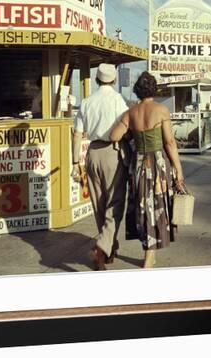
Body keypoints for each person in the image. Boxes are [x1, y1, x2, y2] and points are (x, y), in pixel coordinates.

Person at [110, 71, 185, 269]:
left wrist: (131, 136)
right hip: (158, 162)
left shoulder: (131, 112)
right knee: (156, 207)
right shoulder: (161, 110)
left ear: (137, 91)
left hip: (139, 163)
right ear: (154, 89)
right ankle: (149, 257)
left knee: (143, 207)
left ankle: (148, 251)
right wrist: (178, 170)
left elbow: (114, 136)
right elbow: (169, 142)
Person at [71, 63, 128, 271]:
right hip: (112, 152)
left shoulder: (86, 102)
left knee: (99, 203)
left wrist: (75, 161)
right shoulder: (117, 100)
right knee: (116, 202)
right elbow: (126, 126)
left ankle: (108, 248)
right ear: (113, 80)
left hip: (92, 153)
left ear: (96, 79)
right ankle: (102, 247)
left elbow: (77, 134)